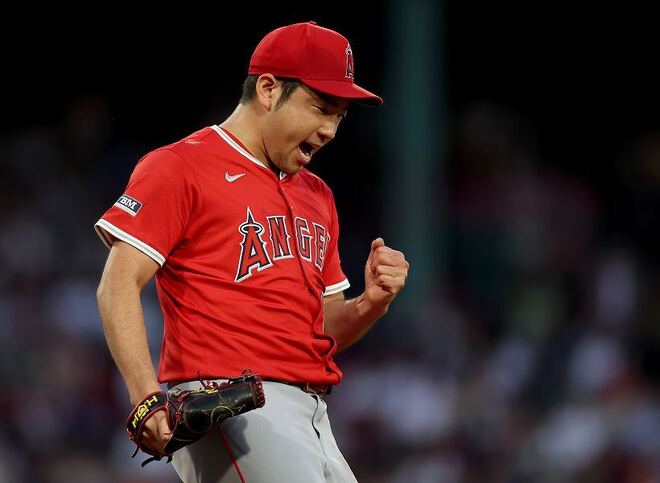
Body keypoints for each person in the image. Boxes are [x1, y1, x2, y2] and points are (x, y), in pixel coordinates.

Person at [95, 21, 409, 482]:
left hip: (311, 413)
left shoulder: (318, 195)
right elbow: (118, 283)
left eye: (340, 116)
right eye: (321, 108)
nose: (329, 130)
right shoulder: (181, 166)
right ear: (268, 89)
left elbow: (322, 330)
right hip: (230, 401)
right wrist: (146, 396)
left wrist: (370, 303)